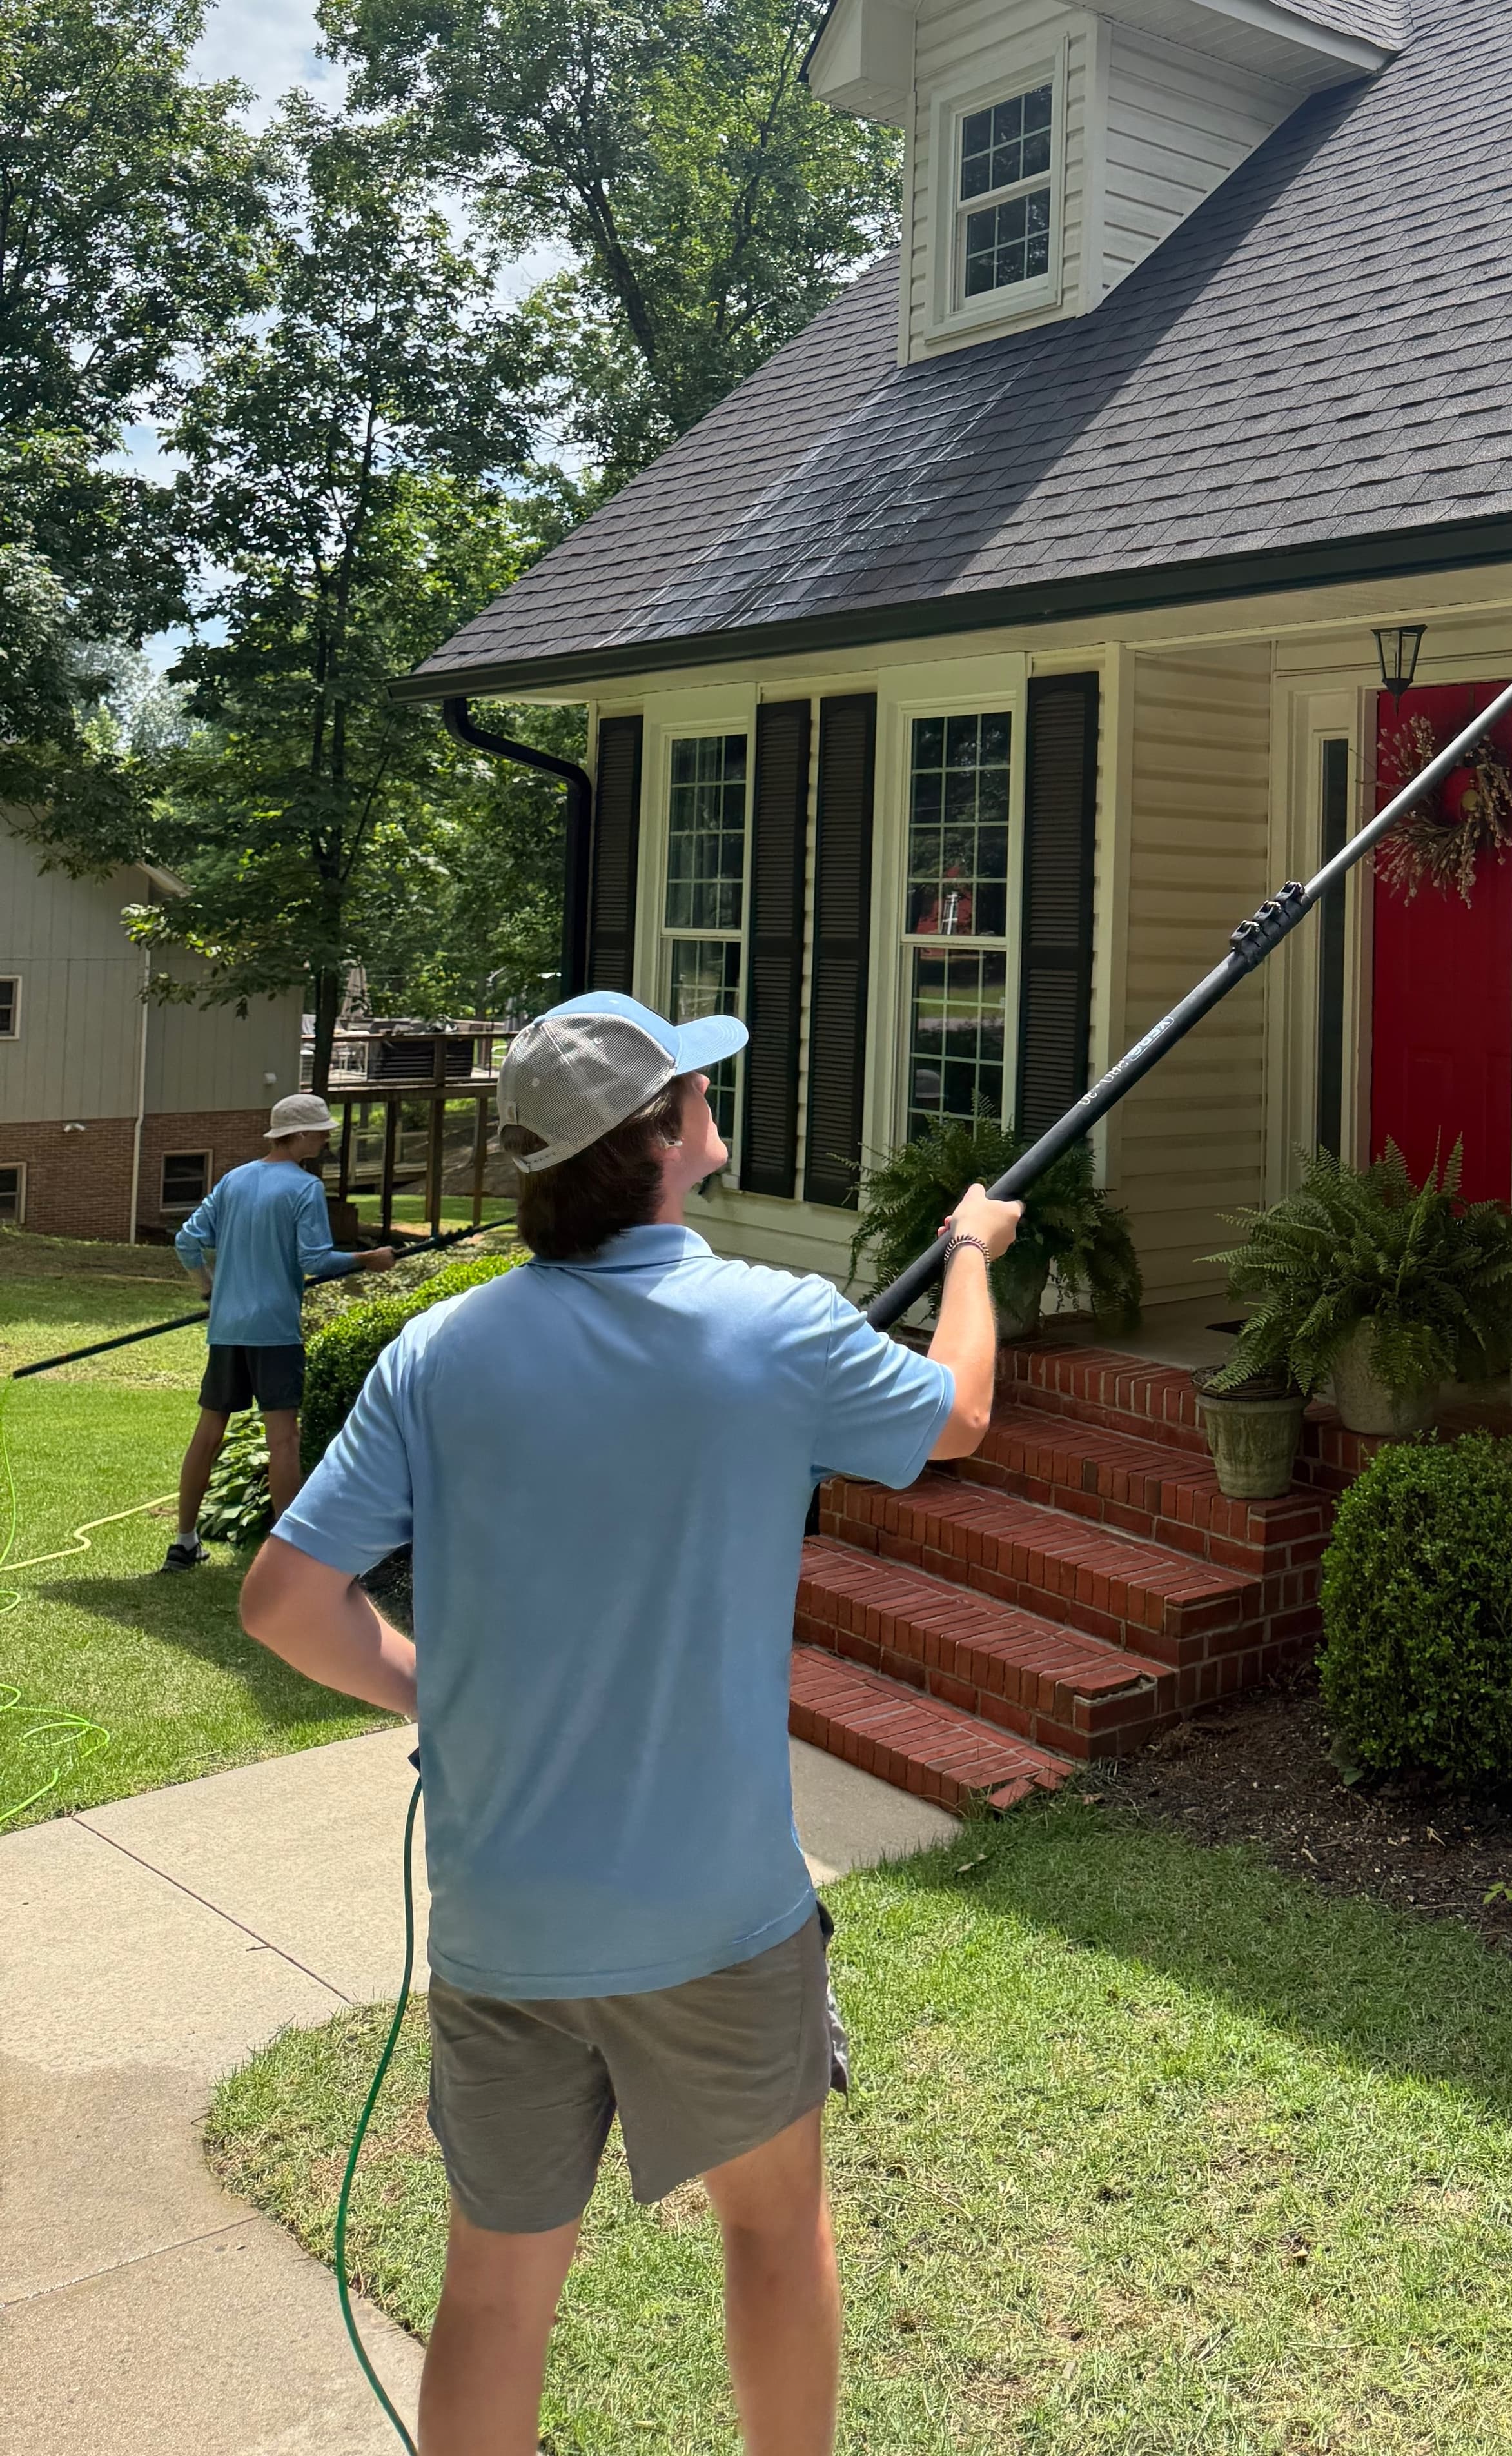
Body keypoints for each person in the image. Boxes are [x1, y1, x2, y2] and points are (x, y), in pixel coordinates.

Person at [239, 989, 1019, 2456]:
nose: (709, 1105)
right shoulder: (771, 1322)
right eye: (691, 1090)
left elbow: (287, 1601)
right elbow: (958, 1413)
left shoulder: (438, 1354)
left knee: (494, 2297)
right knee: (774, 2238)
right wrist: (970, 1256)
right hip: (719, 1920)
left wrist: (427, 1688)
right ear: (665, 1138)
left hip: (502, 1927)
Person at [164, 1090, 398, 1569]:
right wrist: (367, 1260)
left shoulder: (234, 1180)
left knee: (209, 1432)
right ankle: (286, 1558)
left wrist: (209, 1292)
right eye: (322, 1132)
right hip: (274, 1332)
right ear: (302, 1135)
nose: (326, 1139)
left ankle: (184, 1542)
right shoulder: (304, 1188)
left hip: (227, 1330)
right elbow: (313, 1261)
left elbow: (187, 1241)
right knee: (283, 1440)